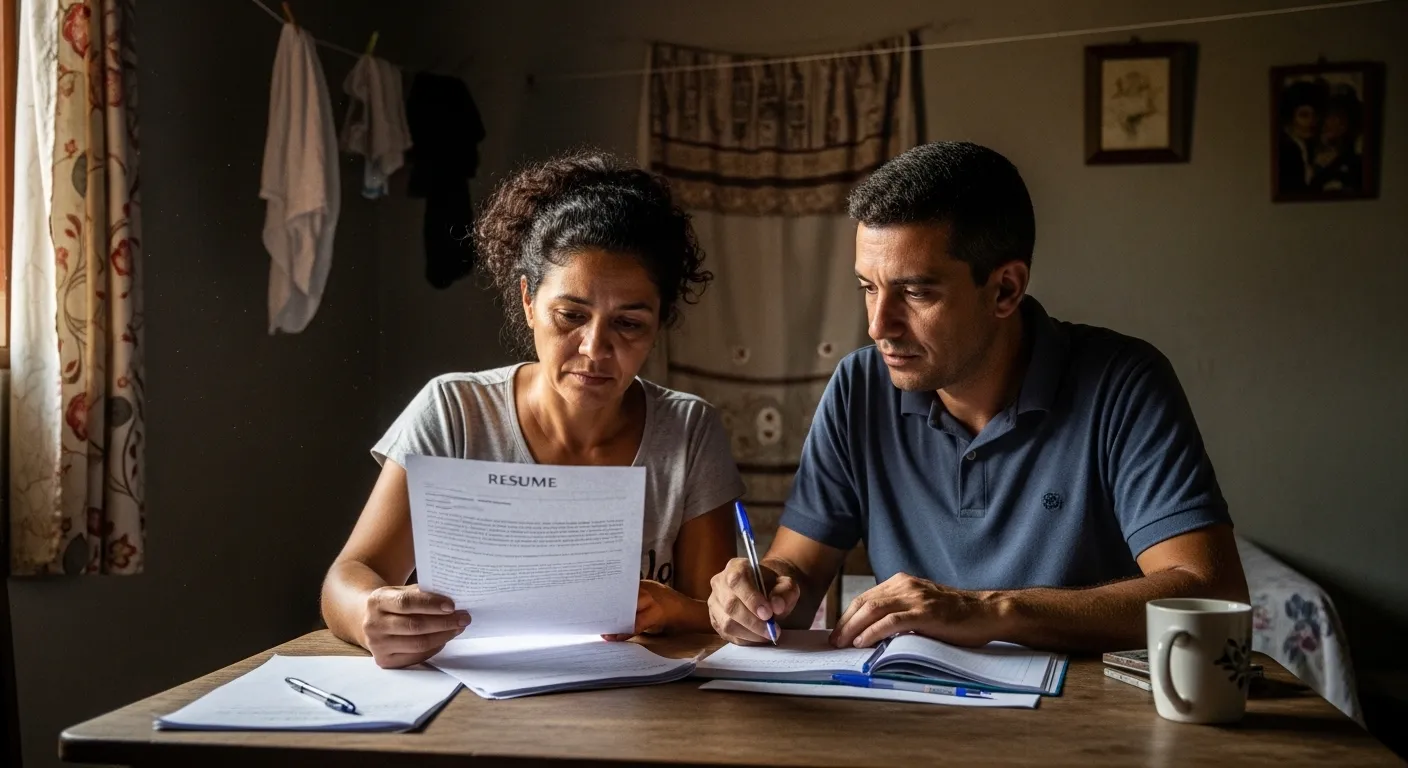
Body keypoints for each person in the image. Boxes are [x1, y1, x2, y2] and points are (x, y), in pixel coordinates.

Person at [708, 141, 1248, 653]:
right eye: (868, 288)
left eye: (916, 292)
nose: (878, 326)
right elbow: (795, 582)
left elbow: (1210, 591)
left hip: (1087, 725)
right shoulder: (858, 389)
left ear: (1006, 289)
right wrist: (761, 594)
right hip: (908, 711)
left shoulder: (1123, 382)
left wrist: (985, 610)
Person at [323, 150, 746, 668]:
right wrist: (372, 613)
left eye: (629, 324)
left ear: (659, 322)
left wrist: (675, 609)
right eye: (570, 315)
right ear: (528, 301)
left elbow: (717, 616)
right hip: (472, 699)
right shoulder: (455, 411)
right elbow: (349, 575)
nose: (595, 348)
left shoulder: (687, 429)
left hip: (637, 708)